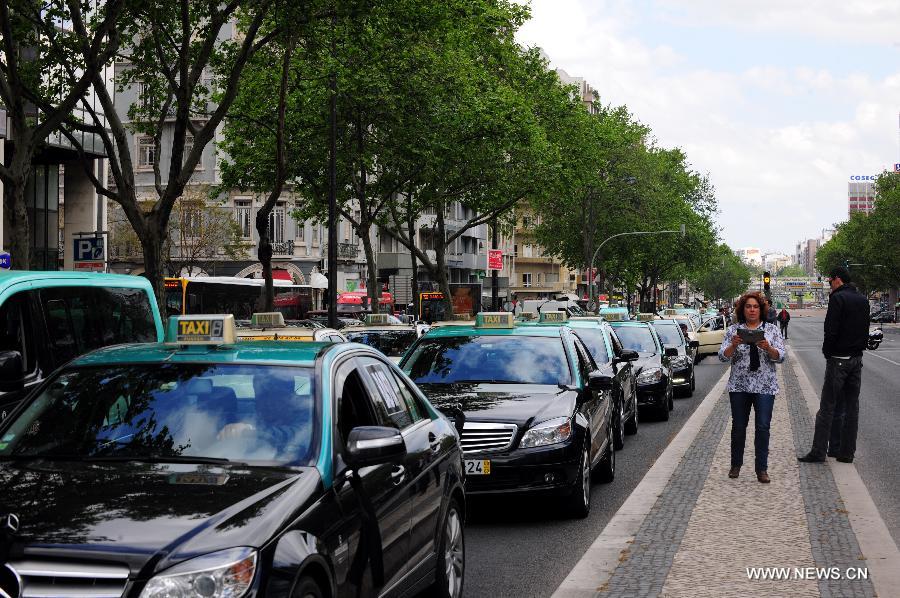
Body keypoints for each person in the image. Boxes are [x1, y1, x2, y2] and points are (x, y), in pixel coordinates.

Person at [798, 266, 869, 464]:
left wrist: (828, 352)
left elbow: (831, 330)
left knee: (827, 407)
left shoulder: (837, 299)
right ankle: (846, 453)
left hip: (838, 359)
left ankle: (819, 452)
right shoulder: (863, 300)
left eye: (830, 281)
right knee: (851, 408)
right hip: (856, 359)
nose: (829, 285)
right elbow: (865, 329)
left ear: (837, 280)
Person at [719, 291, 786, 483]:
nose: (752, 310)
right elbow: (723, 356)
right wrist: (733, 345)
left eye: (755, 307)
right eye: (748, 306)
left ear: (761, 309)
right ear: (743, 309)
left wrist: (768, 348)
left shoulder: (772, 330)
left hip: (765, 386)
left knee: (763, 427)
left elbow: (781, 357)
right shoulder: (733, 331)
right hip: (739, 385)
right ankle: (736, 464)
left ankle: (762, 469)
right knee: (739, 427)